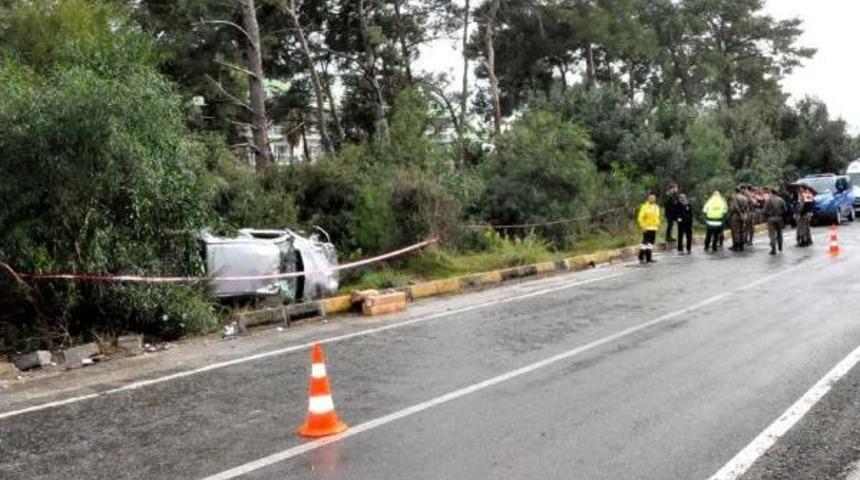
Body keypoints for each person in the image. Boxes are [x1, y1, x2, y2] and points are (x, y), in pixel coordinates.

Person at [637, 193, 661, 263]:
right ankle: (641, 257)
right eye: (651, 198)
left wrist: (657, 224)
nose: (652, 199)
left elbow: (657, 217)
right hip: (647, 228)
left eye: (653, 198)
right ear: (648, 198)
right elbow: (640, 218)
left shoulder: (656, 207)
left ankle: (649, 258)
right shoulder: (644, 207)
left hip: (654, 228)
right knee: (645, 243)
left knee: (650, 243)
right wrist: (642, 226)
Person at [764, 187, 787, 255]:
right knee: (779, 233)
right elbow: (785, 209)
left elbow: (765, 211)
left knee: (772, 234)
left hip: (771, 218)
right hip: (779, 218)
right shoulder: (781, 199)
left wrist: (766, 217)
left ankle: (773, 249)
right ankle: (780, 246)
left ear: (771, 193)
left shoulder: (768, 200)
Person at [728, 187, 750, 251]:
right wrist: (744, 215)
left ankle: (736, 245)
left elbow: (735, 207)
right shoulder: (745, 198)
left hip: (736, 215)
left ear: (735, 191)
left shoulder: (735, 197)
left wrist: (736, 214)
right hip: (743, 215)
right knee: (741, 230)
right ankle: (741, 245)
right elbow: (747, 208)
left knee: (735, 230)